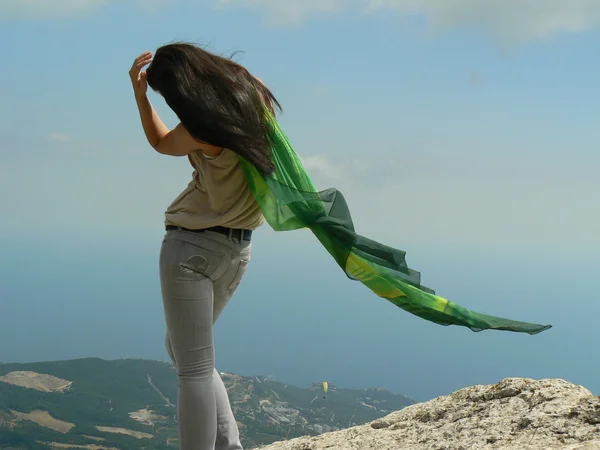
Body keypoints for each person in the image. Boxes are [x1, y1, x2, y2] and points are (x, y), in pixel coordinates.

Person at [129, 42, 281, 450]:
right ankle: (229, 445)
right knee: (180, 348)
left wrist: (141, 98)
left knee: (192, 368)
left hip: (191, 248)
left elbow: (160, 141)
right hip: (238, 251)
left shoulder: (202, 127)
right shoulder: (256, 96)